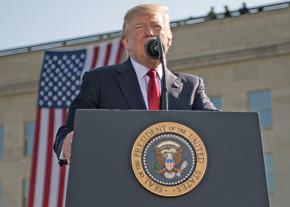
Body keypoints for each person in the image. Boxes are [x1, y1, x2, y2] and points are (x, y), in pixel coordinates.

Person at [53, 4, 217, 165]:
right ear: (126, 42)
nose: (150, 33)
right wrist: (66, 142)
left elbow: (220, 127)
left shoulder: (191, 87)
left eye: (156, 26)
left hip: (175, 183)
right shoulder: (100, 81)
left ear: (169, 40)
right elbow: (69, 131)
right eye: (140, 28)